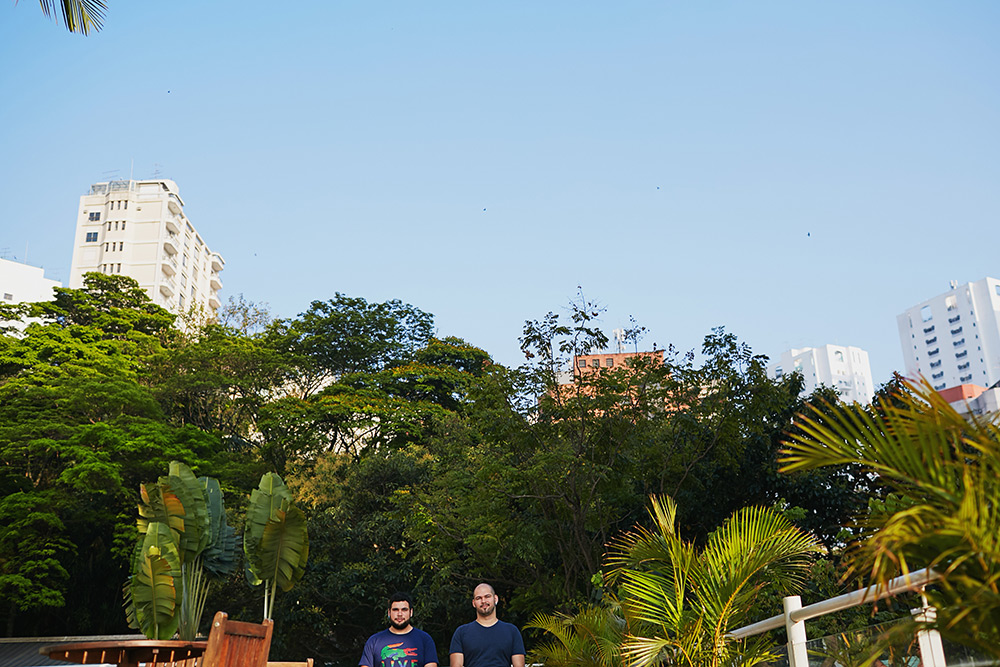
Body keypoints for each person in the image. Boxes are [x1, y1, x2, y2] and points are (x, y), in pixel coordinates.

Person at [449, 583, 525, 667]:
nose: (483, 601)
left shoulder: (512, 631)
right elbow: (456, 665)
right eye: (479, 598)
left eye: (487, 596)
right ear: (474, 603)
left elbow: (519, 665)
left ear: (495, 599)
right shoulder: (461, 633)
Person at [360, 592, 439, 667]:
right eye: (395, 610)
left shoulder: (425, 640)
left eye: (404, 610)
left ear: (411, 612)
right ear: (389, 612)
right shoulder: (374, 641)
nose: (400, 614)